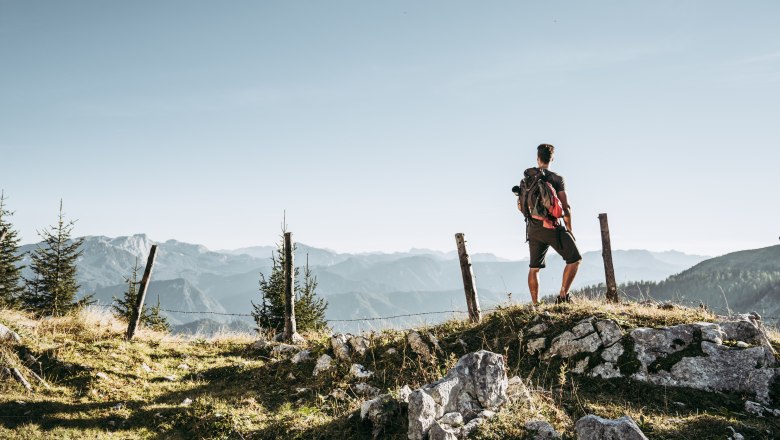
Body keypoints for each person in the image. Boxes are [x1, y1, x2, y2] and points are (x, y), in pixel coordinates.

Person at [519, 144, 582, 305]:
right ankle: (563, 296)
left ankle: (536, 305)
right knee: (574, 259)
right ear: (552, 158)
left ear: (537, 158)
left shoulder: (526, 179)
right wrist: (569, 229)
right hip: (552, 228)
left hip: (532, 228)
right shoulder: (556, 179)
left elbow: (522, 206)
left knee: (534, 268)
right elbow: (565, 208)